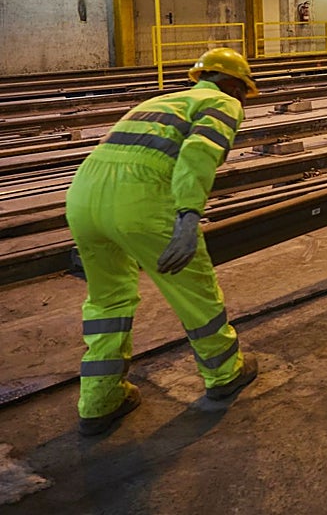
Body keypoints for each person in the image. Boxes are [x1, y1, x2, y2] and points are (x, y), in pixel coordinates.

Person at [65, 47, 261, 435]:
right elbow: (199, 153)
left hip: (83, 199)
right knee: (195, 291)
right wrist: (189, 214)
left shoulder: (161, 100)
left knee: (107, 301)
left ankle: (99, 401)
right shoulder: (223, 102)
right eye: (244, 93)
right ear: (235, 85)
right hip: (141, 203)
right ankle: (224, 373)